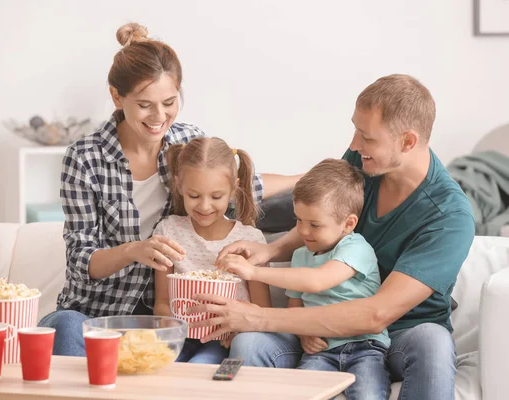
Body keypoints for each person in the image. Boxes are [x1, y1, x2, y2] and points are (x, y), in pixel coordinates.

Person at [190, 74, 475, 400]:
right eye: (355, 130)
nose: (354, 144)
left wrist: (257, 316)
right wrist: (270, 250)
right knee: (248, 342)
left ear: (407, 142)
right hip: (320, 333)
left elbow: (376, 314)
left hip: (396, 334)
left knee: (433, 342)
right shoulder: (363, 164)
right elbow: (321, 217)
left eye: (367, 137)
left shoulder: (449, 217)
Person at [37, 22, 300, 356]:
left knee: (196, 355)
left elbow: (238, 184)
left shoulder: (186, 140)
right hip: (97, 311)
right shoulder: (85, 158)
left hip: (164, 317)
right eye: (145, 104)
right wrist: (134, 250)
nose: (159, 116)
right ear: (117, 97)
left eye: (169, 102)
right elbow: (80, 260)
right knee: (64, 326)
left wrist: (303, 178)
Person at [217, 158, 390, 399]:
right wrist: (303, 333)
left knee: (368, 394)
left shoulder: (356, 248)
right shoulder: (300, 256)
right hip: (319, 352)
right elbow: (294, 310)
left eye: (315, 225)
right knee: (302, 392)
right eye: (299, 220)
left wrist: (254, 272)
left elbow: (318, 280)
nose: (304, 231)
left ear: (348, 224)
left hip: (365, 347)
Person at [153, 136, 272, 364]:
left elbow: (262, 308)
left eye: (216, 197)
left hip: (223, 340)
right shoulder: (169, 231)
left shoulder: (249, 240)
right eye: (194, 196)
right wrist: (167, 325)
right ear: (179, 185)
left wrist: (241, 328)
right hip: (180, 337)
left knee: (199, 367)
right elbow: (162, 301)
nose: (204, 206)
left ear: (234, 188)